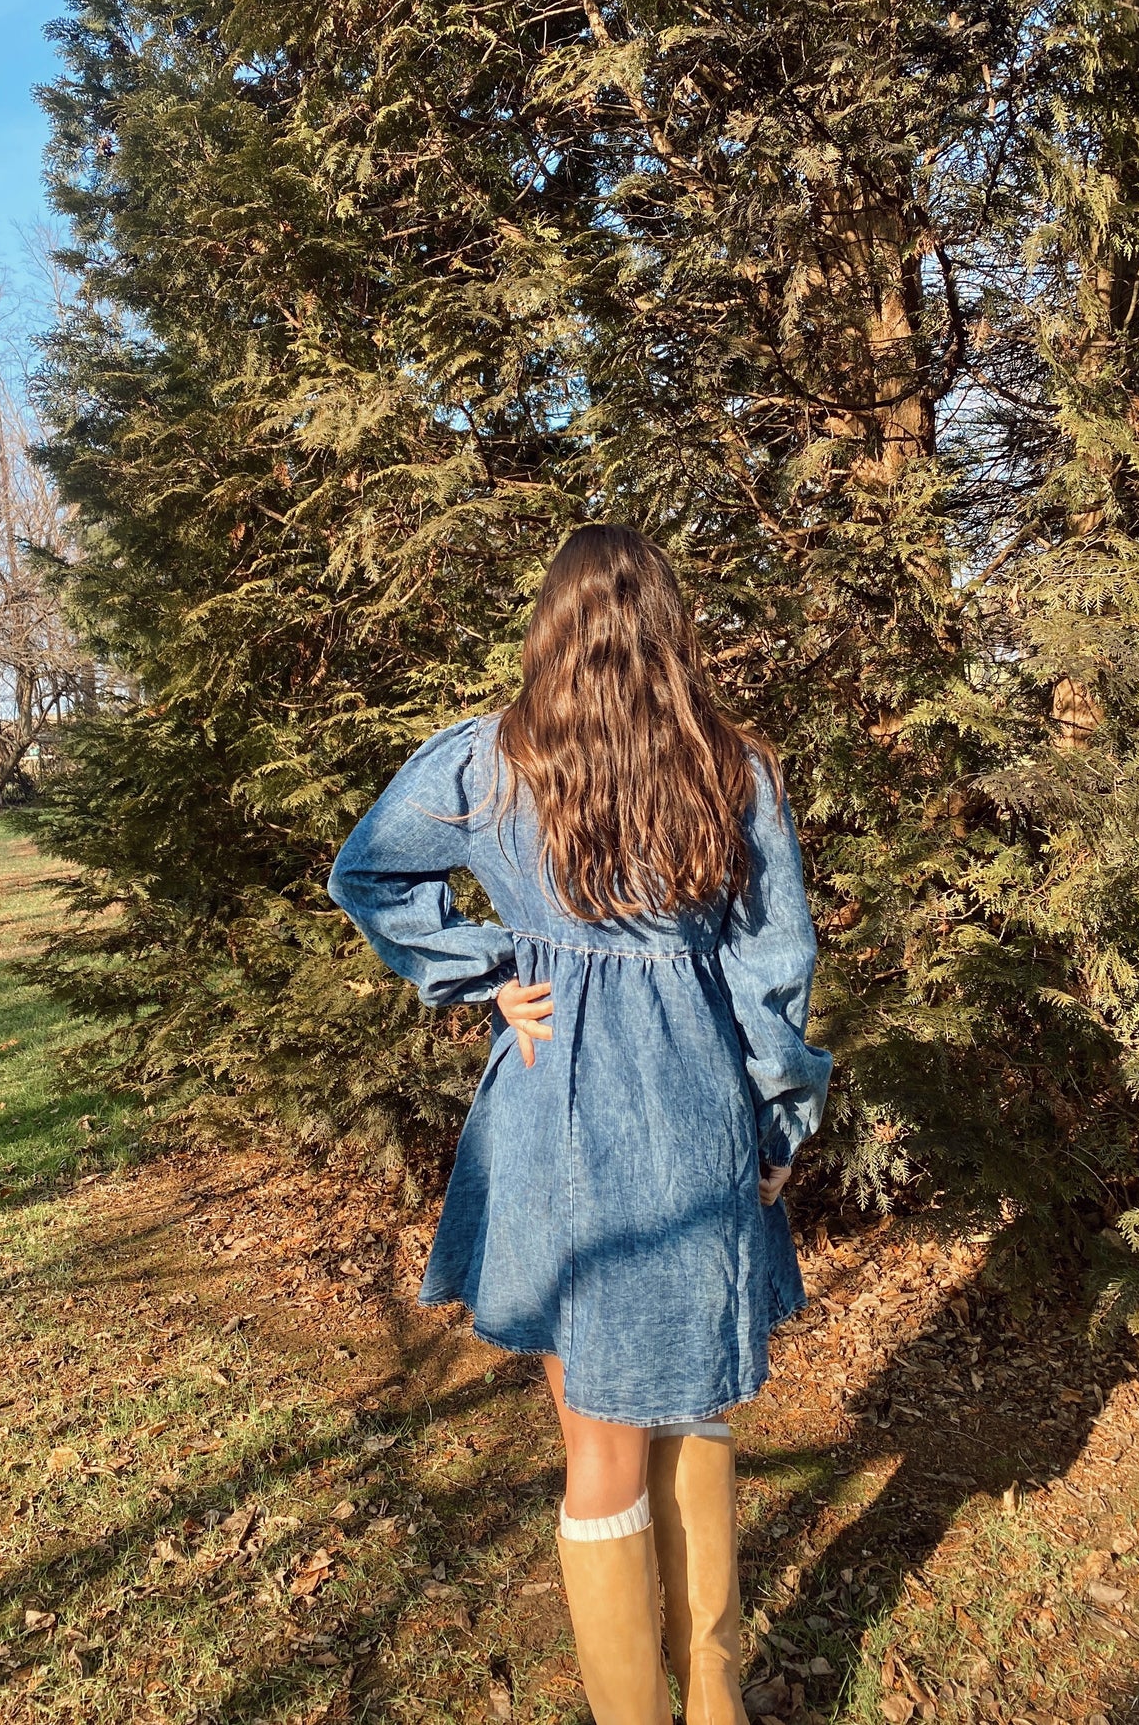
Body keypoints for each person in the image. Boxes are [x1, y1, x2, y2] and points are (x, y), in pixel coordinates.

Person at [328, 524, 832, 1724]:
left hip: (551, 1099)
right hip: (690, 1103)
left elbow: (366, 872)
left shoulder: (488, 765)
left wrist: (483, 967)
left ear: (547, 629)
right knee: (690, 1403)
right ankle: (712, 1704)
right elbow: (773, 976)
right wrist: (776, 1123)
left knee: (598, 1442)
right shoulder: (731, 769)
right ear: (668, 629)